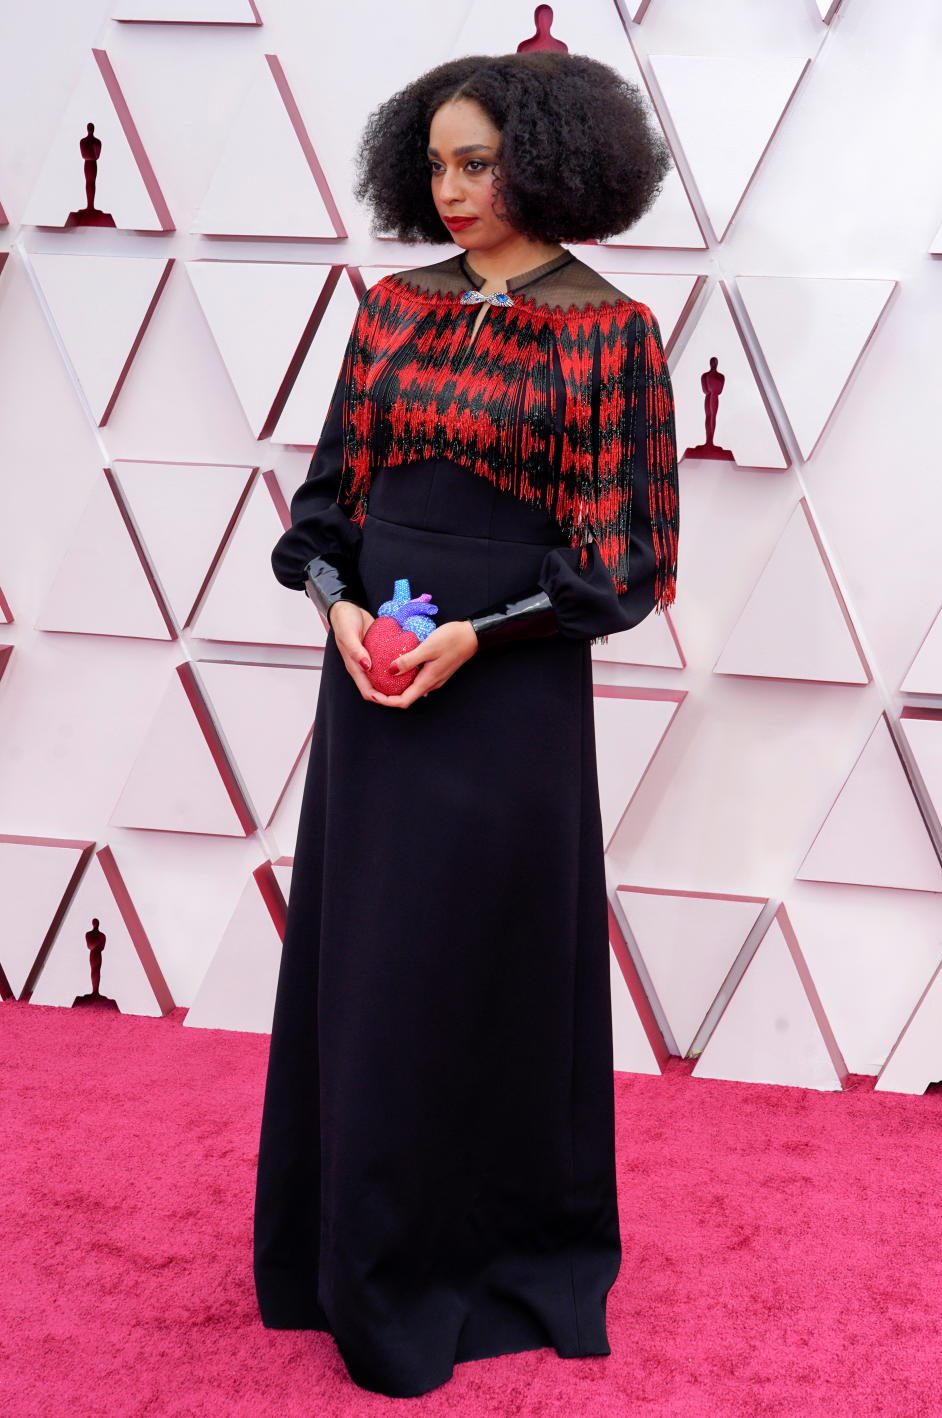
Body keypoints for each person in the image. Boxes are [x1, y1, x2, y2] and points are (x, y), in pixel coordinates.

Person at [253, 49, 679, 1399]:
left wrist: (473, 641)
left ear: (552, 160)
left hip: (508, 696)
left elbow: (629, 565)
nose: (451, 188)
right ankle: (350, 1255)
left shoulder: (611, 334)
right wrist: (336, 608)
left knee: (482, 971)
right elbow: (322, 511)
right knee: (369, 967)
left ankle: (489, 1251)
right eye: (434, 162)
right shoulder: (386, 312)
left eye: (478, 161)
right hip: (374, 686)